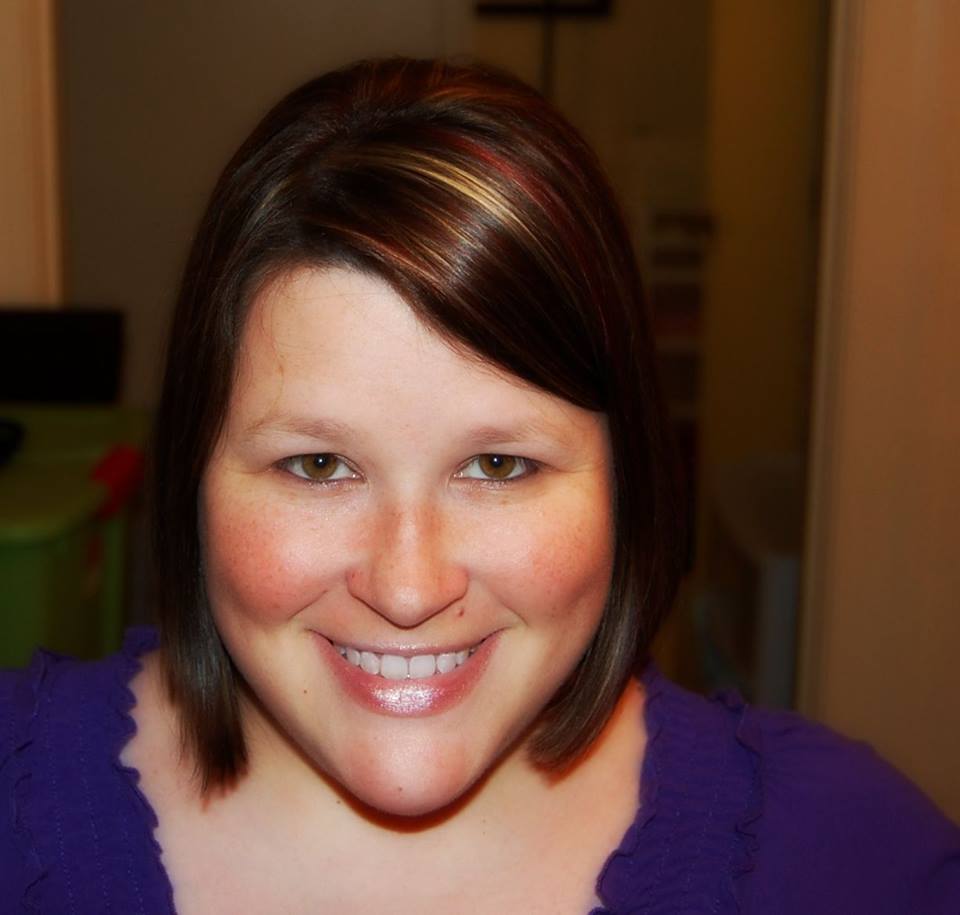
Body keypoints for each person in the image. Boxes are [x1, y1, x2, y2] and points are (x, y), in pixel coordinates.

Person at [1, 57, 958, 914]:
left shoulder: (859, 864)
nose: (408, 587)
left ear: (628, 479)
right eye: (319, 465)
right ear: (193, 480)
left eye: (498, 465)